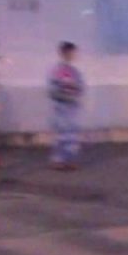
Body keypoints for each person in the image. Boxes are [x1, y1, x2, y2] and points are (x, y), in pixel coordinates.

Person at [48, 42, 85, 170]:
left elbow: (81, 87)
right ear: (63, 53)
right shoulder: (57, 71)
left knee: (72, 135)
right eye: (70, 52)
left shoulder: (74, 71)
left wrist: (75, 90)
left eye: (73, 53)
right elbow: (52, 90)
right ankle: (58, 160)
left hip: (72, 107)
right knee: (61, 134)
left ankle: (70, 160)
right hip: (62, 107)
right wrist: (65, 92)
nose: (72, 55)